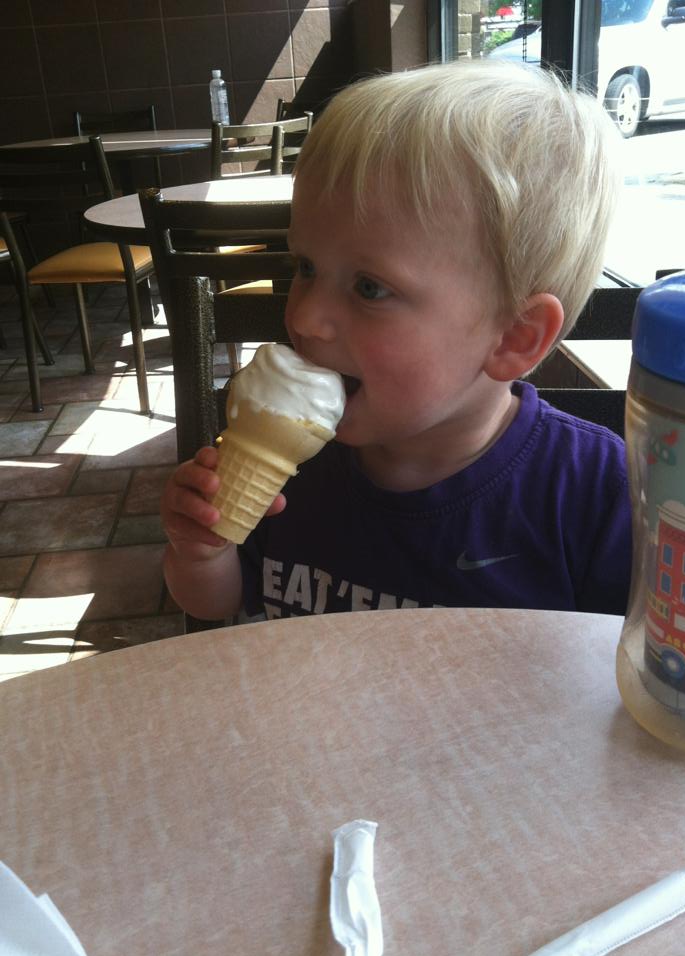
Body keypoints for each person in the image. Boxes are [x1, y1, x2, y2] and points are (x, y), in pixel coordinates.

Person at [161, 58, 632, 622]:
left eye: (369, 288)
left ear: (513, 336)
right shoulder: (294, 459)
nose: (305, 317)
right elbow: (224, 605)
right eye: (305, 266)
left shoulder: (597, 498)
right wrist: (202, 554)